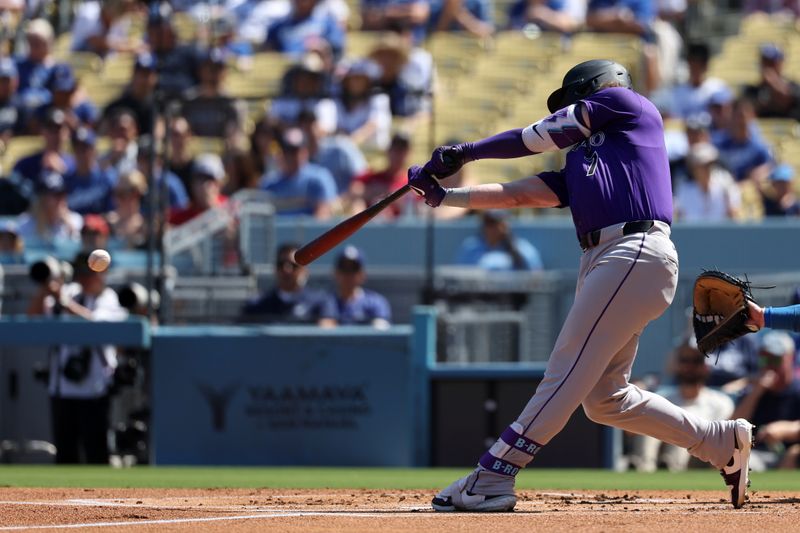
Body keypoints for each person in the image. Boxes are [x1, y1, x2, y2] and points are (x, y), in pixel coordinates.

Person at [408, 59, 754, 511]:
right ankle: (718, 442)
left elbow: (536, 136)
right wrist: (443, 196)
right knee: (605, 399)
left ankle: (494, 474)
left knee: (566, 368)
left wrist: (466, 151)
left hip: (633, 248)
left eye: (573, 99)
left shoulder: (626, 104)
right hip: (608, 259)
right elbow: (517, 194)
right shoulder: (584, 161)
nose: (570, 108)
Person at [27, 251, 127, 464]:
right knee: (65, 454)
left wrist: (64, 302)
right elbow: (33, 316)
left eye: (88, 274)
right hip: (62, 386)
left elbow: (95, 324)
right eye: (81, 273)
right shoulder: (69, 292)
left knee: (97, 453)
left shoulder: (108, 298)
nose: (84, 279)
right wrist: (46, 290)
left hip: (95, 388)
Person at [629, 338, 735, 472]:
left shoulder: (721, 402)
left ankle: (670, 469)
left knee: (685, 429)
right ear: (677, 364)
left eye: (696, 361)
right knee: (649, 431)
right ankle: (642, 471)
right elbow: (633, 430)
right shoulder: (662, 397)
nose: (689, 366)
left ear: (706, 366)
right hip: (659, 451)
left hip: (698, 459)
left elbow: (721, 442)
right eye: (685, 360)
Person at [731, 331, 800, 471]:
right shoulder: (753, 391)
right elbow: (732, 429)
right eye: (764, 360)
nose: (769, 366)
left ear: (790, 358)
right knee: (731, 457)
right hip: (757, 455)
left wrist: (788, 429)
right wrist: (757, 392)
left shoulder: (797, 389)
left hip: (791, 454)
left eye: (775, 360)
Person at [240, 242, 333, 325]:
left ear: (305, 270)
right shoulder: (257, 304)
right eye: (281, 264)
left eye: (294, 265)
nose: (286, 270)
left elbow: (327, 332)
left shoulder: (320, 302)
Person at [260, 127, 338, 218]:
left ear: (304, 152)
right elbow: (261, 217)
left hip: (311, 232)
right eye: (286, 151)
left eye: (294, 151)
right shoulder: (269, 183)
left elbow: (323, 214)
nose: (290, 156)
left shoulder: (319, 178)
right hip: (274, 232)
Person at [180, 47, 246, 143]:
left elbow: (237, 138)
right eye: (209, 69)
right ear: (201, 71)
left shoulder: (233, 103)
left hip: (223, 155)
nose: (213, 74)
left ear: (224, 73)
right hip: (191, 152)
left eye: (217, 69)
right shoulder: (189, 99)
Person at [320, 246, 391, 327]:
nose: (349, 274)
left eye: (354, 269)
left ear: (362, 274)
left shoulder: (375, 302)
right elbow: (324, 331)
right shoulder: (326, 301)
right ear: (335, 273)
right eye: (344, 269)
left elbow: (381, 332)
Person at [348, 131, 413, 217]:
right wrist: (377, 192)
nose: (398, 155)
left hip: (403, 226)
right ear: (388, 151)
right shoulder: (374, 177)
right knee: (358, 203)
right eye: (395, 150)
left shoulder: (412, 181)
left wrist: (394, 196)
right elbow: (354, 190)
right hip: (374, 224)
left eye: (402, 151)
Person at [673, 142, 741, 222]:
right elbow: (679, 217)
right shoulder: (684, 189)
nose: (708, 168)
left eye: (710, 164)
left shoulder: (725, 183)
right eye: (703, 165)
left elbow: (734, 215)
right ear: (693, 168)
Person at [456, 210, 544, 271]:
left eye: (495, 222)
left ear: (505, 225)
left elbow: (536, 276)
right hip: (477, 296)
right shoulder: (471, 247)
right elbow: (459, 274)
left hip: (513, 296)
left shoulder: (522, 249)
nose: (491, 228)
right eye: (488, 222)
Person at [714, 97, 772, 184]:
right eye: (738, 115)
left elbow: (770, 166)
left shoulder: (759, 146)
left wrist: (762, 171)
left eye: (745, 115)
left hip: (749, 191)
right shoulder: (718, 143)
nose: (742, 120)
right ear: (730, 116)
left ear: (752, 116)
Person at [16, 171, 83, 247]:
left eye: (62, 194)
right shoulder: (26, 224)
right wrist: (40, 227)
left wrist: (71, 229)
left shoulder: (76, 220)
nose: (60, 199)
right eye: (56, 195)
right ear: (42, 199)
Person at [264, 0, 345, 60]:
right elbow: (268, 56)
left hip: (317, 76)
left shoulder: (327, 22)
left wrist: (323, 47)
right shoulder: (278, 26)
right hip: (286, 73)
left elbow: (337, 51)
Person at [101, 53, 158, 137]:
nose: (143, 80)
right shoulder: (117, 107)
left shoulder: (160, 105)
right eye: (140, 74)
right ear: (133, 75)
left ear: (154, 78)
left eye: (147, 75)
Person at [64, 127, 117, 215]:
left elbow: (113, 212)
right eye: (78, 148)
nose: (81, 153)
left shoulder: (106, 178)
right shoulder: (66, 181)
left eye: (85, 149)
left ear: (94, 150)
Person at [742, 43, 800, 121]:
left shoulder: (793, 86)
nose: (767, 66)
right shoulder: (752, 90)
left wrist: (773, 83)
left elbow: (787, 100)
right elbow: (747, 111)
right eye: (764, 61)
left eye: (772, 63)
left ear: (781, 64)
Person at [168, 153, 228, 225]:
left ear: (220, 183)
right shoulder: (183, 215)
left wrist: (212, 207)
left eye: (209, 179)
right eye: (199, 178)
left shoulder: (231, 207)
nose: (203, 184)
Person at [106, 169, 148, 249]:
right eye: (115, 193)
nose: (117, 199)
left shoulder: (146, 227)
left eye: (122, 194)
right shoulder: (106, 223)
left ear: (136, 194)